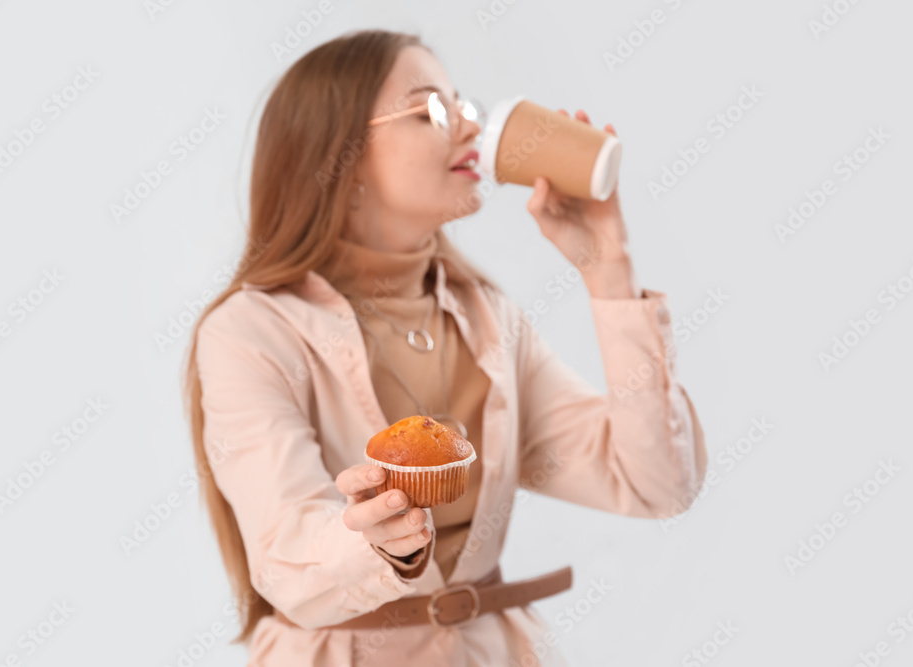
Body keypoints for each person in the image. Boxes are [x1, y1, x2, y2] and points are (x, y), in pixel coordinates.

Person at [182, 28, 708, 667]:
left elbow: (655, 481)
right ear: (341, 160)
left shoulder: (492, 321)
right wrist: (385, 544)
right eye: (432, 108)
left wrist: (609, 269)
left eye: (465, 106)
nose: (469, 127)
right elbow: (286, 556)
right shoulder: (250, 333)